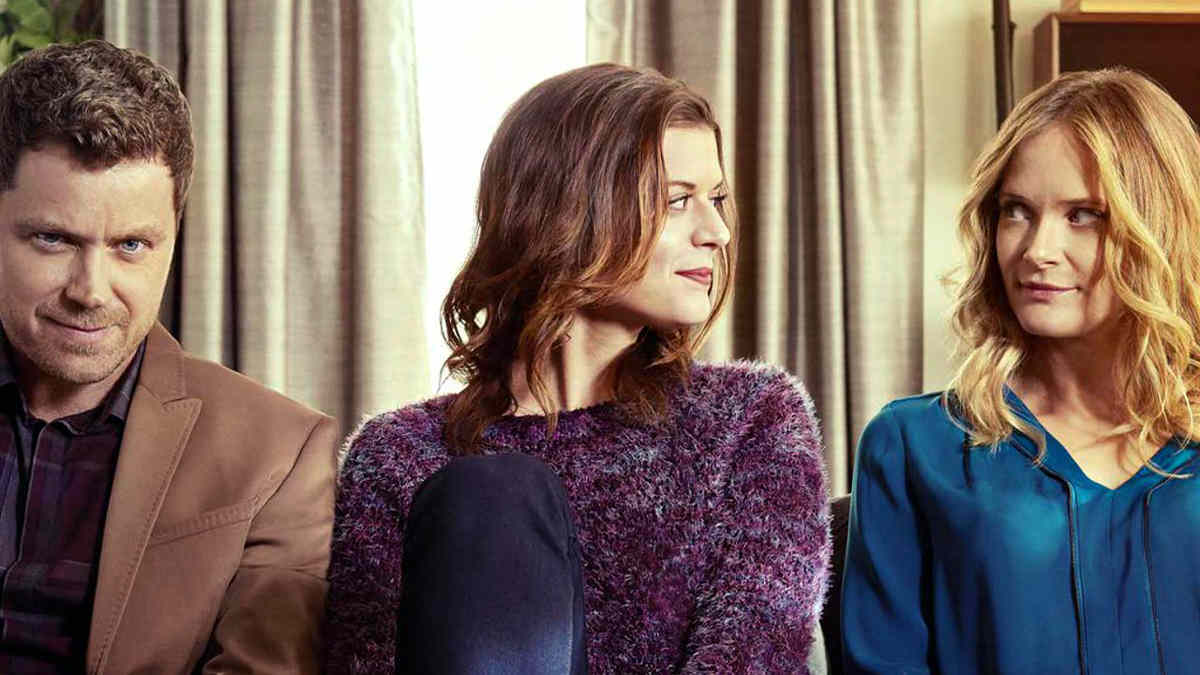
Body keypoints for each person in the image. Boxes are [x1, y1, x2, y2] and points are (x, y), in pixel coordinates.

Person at [327, 63, 830, 674]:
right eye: (677, 201)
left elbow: (757, 650)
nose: (717, 232)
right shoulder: (398, 454)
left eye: (716, 199)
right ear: (566, 211)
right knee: (491, 494)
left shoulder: (751, 417)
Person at [841, 68, 1200, 674]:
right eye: (1017, 211)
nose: (1037, 251)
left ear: (1158, 229)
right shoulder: (912, 447)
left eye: (1084, 214)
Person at [0, 41, 337, 672]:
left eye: (131, 245)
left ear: (174, 237)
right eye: (52, 238)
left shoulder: (280, 453)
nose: (91, 291)